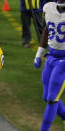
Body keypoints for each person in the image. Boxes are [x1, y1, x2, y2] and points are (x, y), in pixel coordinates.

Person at [33, 0, 65, 130]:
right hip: (51, 57)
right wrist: (38, 54)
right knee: (47, 97)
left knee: (52, 99)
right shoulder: (49, 8)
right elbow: (46, 31)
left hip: (63, 61)